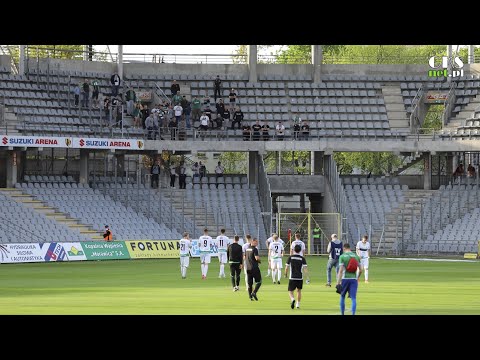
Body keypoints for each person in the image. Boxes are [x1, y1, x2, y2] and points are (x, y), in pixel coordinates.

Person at [336, 243, 363, 315]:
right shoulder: (356, 256)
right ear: (349, 248)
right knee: (353, 298)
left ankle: (342, 313)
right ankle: (353, 314)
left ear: (344, 248)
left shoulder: (342, 257)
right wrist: (357, 278)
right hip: (353, 279)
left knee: (342, 296)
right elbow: (360, 270)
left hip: (345, 279)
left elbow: (341, 271)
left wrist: (338, 282)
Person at [285, 244, 310, 309]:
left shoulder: (290, 257)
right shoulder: (302, 258)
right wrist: (307, 277)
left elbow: (286, 267)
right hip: (300, 277)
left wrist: (285, 274)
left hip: (292, 277)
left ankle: (292, 299)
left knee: (290, 291)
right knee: (299, 291)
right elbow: (305, 269)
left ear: (293, 250)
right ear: (300, 250)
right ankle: (298, 304)